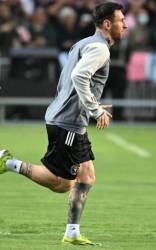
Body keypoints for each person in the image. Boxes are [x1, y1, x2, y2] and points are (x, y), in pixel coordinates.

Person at [0, 2, 127, 246]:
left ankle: (72, 232)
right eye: (121, 20)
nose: (126, 24)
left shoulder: (81, 43)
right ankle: (9, 163)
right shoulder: (100, 49)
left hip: (67, 118)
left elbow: (67, 81)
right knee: (62, 183)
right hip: (68, 123)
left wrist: (88, 104)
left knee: (87, 175)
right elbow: (79, 76)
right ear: (108, 24)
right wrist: (94, 108)